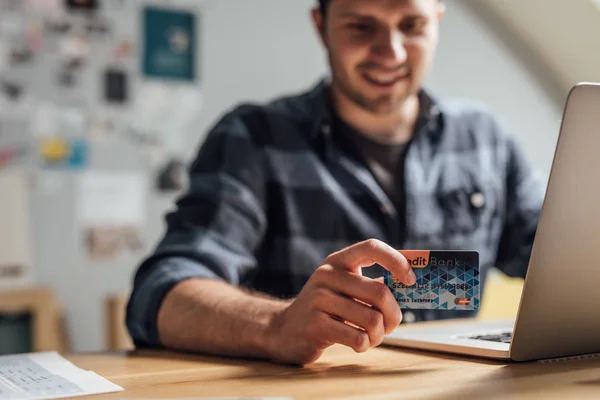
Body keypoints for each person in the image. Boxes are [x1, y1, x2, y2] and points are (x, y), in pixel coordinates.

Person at [126, 0, 544, 365]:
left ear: (437, 18)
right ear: (320, 26)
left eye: (412, 25)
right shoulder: (254, 139)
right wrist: (277, 324)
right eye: (362, 27)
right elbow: (160, 293)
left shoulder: (486, 140)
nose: (391, 52)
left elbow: (560, 261)